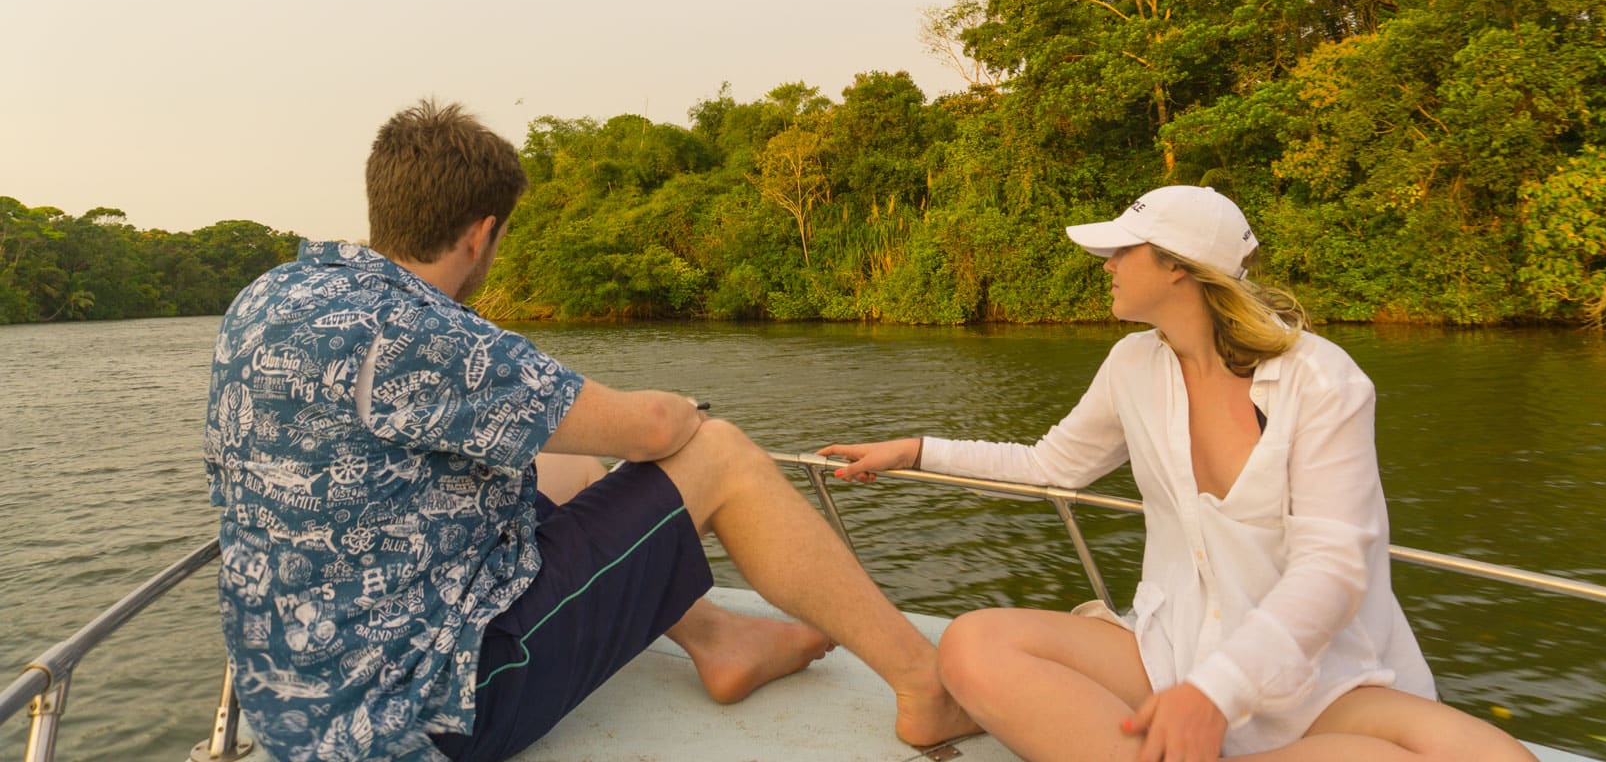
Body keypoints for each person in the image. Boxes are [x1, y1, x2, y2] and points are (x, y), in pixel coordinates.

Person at [203, 100, 976, 762]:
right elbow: (650, 428)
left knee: (563, 468)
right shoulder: (430, 335)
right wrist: (683, 409)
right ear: (481, 233)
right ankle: (924, 685)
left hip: (292, 697)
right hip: (428, 717)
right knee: (719, 454)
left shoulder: (275, 294)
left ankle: (717, 641)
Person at [819, 185, 1534, 762]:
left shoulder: (1321, 380)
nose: (1105, 265)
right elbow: (1054, 465)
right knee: (975, 644)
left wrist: (1215, 695)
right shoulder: (1134, 363)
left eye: (1120, 251)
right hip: (1175, 651)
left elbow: (1334, 569)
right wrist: (916, 450)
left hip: (1316, 678)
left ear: (1177, 267)